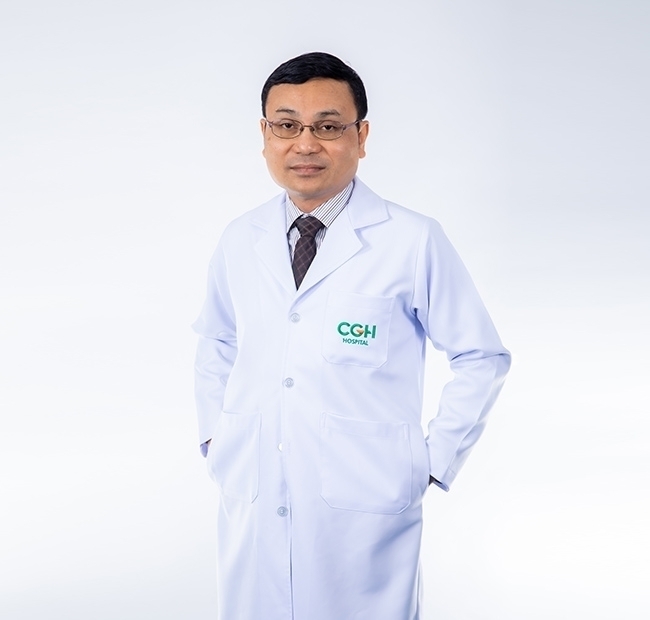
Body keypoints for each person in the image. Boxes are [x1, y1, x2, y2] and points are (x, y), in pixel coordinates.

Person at [193, 51, 511, 620]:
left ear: (361, 137)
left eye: (327, 127)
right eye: (286, 125)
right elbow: (216, 341)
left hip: (366, 499)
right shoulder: (241, 238)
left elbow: (480, 355)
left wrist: (431, 461)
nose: (305, 144)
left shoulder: (412, 239)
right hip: (254, 486)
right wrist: (217, 439)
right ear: (264, 136)